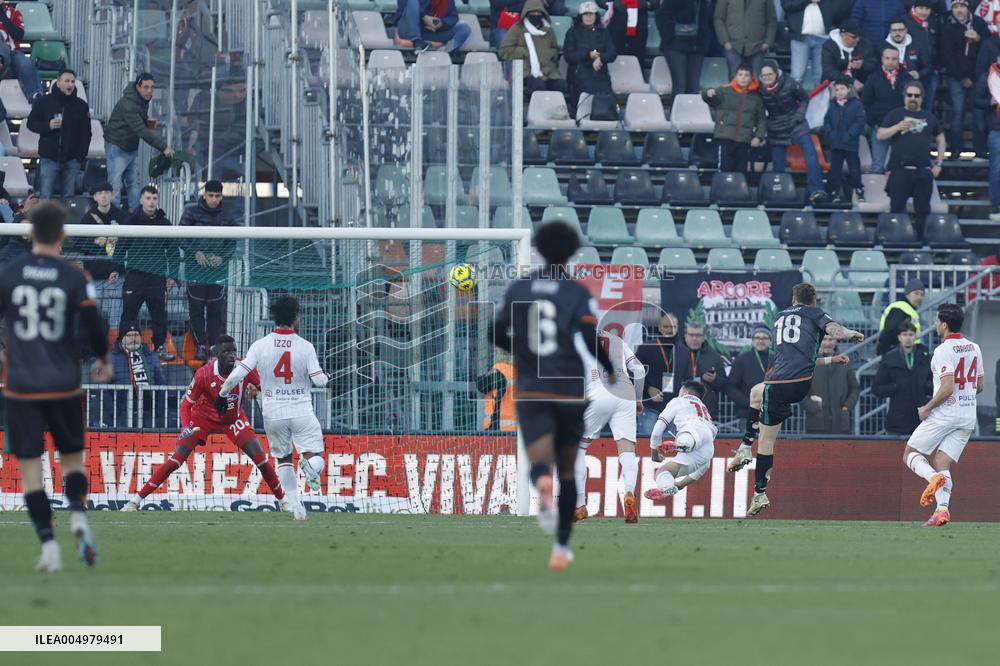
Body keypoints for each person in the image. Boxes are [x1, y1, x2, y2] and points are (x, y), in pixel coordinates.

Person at [492, 220, 614, 571]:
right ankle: (560, 547)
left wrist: (521, 352)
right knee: (568, 469)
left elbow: (494, 331)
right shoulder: (576, 292)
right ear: (573, 250)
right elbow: (590, 337)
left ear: (539, 249)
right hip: (569, 388)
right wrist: (608, 368)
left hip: (532, 387)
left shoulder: (519, 287)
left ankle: (541, 479)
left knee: (539, 457)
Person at [0, 200, 111, 573]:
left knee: (31, 470)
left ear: (29, 233)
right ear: (62, 235)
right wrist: (102, 358)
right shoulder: (74, 275)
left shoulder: (9, 273)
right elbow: (95, 324)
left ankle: (49, 546)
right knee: (72, 461)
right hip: (64, 383)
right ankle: (77, 514)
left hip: (21, 387)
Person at [727, 283, 864, 516]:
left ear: (793, 299)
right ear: (814, 299)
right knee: (756, 393)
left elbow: (799, 354)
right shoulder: (815, 313)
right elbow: (834, 332)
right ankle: (745, 450)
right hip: (797, 385)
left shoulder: (779, 317)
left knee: (766, 441)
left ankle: (757, 487)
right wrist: (850, 336)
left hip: (779, 384)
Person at [122, 335, 291, 513]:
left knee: (261, 459)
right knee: (176, 460)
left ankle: (284, 501)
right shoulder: (204, 373)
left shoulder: (245, 368)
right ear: (217, 353)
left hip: (233, 419)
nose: (231, 355)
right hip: (203, 418)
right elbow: (186, 404)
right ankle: (135, 501)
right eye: (226, 352)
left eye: (233, 351)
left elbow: (266, 388)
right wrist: (185, 427)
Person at [217, 297, 330, 520]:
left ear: (274, 318)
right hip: (301, 410)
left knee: (284, 459)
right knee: (316, 456)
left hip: (273, 413)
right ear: (296, 317)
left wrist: (222, 393)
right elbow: (319, 381)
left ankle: (296, 508)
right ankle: (310, 466)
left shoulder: (260, 345)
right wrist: (326, 376)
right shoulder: (305, 346)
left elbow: (239, 373)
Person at [902, 304, 984, 527]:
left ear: (944, 325)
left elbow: (948, 386)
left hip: (946, 414)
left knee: (910, 453)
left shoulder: (942, 351)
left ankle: (933, 478)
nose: (935, 324)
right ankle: (941, 510)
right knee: (941, 461)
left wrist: (927, 408)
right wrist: (964, 395)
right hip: (968, 416)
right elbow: (979, 386)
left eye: (937, 320)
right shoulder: (975, 348)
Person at [573, 330, 645, 523]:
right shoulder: (616, 339)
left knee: (577, 448)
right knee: (627, 450)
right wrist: (638, 399)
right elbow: (639, 370)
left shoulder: (577, 338)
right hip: (626, 393)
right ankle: (629, 492)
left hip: (599, 390)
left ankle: (579, 505)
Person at [876, 80, 947, 239]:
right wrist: (897, 127)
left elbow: (941, 139)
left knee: (923, 210)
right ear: (904, 97)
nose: (913, 98)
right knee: (896, 208)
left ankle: (920, 241)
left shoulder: (929, 116)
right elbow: (880, 135)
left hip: (923, 170)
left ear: (922, 98)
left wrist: (939, 164)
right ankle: (895, 241)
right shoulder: (895, 114)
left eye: (916, 95)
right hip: (900, 170)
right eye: (909, 95)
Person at [117, 186, 180, 361]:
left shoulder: (164, 223)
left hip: (156, 278)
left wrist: (173, 275)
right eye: (148, 198)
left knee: (159, 315)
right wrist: (116, 268)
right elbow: (121, 247)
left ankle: (159, 347)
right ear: (141, 200)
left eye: (154, 198)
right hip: (135, 276)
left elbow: (173, 251)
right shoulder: (131, 221)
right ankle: (123, 347)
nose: (151, 202)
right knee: (129, 313)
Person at [179, 180, 237, 361]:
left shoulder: (228, 215)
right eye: (210, 195)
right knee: (195, 311)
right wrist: (195, 252)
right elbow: (180, 237)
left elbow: (232, 243)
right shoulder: (191, 212)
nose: (213, 199)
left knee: (215, 312)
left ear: (221, 196)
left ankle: (213, 347)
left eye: (217, 196)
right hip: (194, 271)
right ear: (204, 195)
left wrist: (222, 257)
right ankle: (199, 346)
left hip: (218, 272)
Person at [105, 73, 175, 213]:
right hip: (117, 146)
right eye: (146, 87)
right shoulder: (129, 104)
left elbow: (139, 124)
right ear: (138, 87)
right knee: (116, 185)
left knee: (133, 184)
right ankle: (113, 217)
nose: (150, 91)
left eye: (152, 87)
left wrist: (147, 121)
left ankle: (135, 216)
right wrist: (163, 147)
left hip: (129, 146)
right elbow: (141, 130)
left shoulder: (140, 100)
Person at [759, 60, 826, 203]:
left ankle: (817, 190)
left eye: (769, 74)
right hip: (776, 127)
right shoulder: (760, 89)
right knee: (778, 164)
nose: (767, 78)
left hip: (797, 124)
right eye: (764, 76)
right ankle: (779, 194)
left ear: (776, 73)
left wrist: (799, 115)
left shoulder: (790, 83)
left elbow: (804, 98)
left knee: (811, 156)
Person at [643, 381, 718, 501]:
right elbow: (705, 465)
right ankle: (668, 487)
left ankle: (683, 445)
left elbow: (658, 429)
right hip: (709, 443)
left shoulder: (679, 400)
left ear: (685, 392)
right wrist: (681, 484)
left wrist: (654, 453)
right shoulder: (704, 409)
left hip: (692, 428)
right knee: (662, 472)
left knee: (687, 436)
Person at [25, 69, 91, 200]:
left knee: (69, 198)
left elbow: (86, 134)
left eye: (73, 81)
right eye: (67, 81)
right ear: (58, 82)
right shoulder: (43, 101)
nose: (70, 84)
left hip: (72, 160)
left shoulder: (81, 106)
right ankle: (44, 215)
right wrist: (47, 126)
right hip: (49, 158)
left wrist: (79, 158)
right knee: (45, 196)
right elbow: (31, 123)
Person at [941, 0, 991, 159]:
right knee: (957, 114)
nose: (959, 10)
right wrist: (961, 77)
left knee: (979, 114)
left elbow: (989, 47)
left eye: (962, 6)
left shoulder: (979, 24)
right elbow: (946, 56)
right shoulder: (948, 27)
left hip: (978, 78)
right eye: (955, 7)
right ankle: (955, 150)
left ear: (968, 8)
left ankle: (980, 151)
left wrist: (978, 38)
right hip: (956, 78)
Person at [77, 182, 128, 330]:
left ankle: (115, 343)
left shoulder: (122, 216)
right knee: (93, 317)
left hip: (116, 276)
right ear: (94, 197)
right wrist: (94, 242)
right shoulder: (87, 218)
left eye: (106, 192)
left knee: (116, 317)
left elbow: (128, 245)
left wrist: (117, 269)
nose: (103, 196)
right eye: (100, 193)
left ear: (112, 195)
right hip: (94, 275)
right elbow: (77, 243)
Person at [872, 321, 933, 436]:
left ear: (915, 336)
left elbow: (934, 382)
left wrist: (926, 386)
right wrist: (895, 387)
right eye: (904, 334)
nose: (908, 338)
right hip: (898, 420)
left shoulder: (925, 357)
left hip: (921, 418)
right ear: (899, 337)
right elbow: (876, 388)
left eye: (910, 334)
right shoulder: (889, 358)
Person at [702, 64, 766, 172]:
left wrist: (758, 137)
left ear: (751, 78)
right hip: (725, 138)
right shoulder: (724, 91)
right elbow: (710, 99)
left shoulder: (756, 97)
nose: (743, 78)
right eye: (740, 75)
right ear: (735, 76)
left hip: (744, 141)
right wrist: (707, 92)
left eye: (746, 75)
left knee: (740, 171)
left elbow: (761, 119)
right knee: (725, 170)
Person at [103, 323, 167, 429]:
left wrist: (158, 411)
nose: (133, 339)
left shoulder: (151, 357)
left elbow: (161, 386)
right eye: (129, 335)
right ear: (122, 338)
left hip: (148, 415)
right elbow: (104, 390)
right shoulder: (110, 359)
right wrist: (115, 412)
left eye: (136, 335)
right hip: (122, 416)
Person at [499, 0, 568, 98]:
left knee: (562, 86)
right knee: (539, 85)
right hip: (526, 72)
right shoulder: (517, 28)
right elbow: (504, 50)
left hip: (549, 72)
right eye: (533, 12)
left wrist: (548, 53)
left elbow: (554, 48)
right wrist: (524, 52)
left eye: (538, 12)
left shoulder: (548, 30)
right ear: (527, 14)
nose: (536, 15)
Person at [782, 0, 853, 88]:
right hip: (799, 37)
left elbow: (840, 9)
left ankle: (819, 97)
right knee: (797, 76)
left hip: (823, 38)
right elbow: (787, 5)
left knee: (820, 76)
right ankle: (794, 97)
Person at [563, 2, 617, 115]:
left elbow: (612, 53)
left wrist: (601, 58)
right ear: (580, 16)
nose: (588, 17)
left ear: (596, 16)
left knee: (607, 100)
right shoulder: (572, 32)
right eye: (585, 14)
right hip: (578, 74)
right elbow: (569, 56)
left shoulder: (604, 32)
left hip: (600, 73)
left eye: (591, 14)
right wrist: (588, 55)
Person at [800, 334, 860, 434]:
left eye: (831, 339)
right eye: (824, 339)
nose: (827, 343)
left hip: (841, 424)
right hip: (817, 424)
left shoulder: (845, 362)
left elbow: (855, 388)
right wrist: (812, 407)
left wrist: (846, 407)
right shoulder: (810, 363)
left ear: (836, 341)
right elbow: (799, 390)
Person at [861, 46, 907, 174]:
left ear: (899, 59)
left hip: (902, 128)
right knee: (877, 166)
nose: (890, 61)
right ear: (882, 59)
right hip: (880, 127)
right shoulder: (873, 78)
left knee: (902, 166)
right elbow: (865, 104)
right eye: (887, 58)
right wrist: (874, 124)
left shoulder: (907, 78)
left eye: (893, 58)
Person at [671, 322, 729, 418]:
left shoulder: (714, 356)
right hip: (678, 408)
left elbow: (723, 383)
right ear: (685, 336)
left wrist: (714, 380)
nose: (694, 338)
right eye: (691, 335)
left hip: (705, 410)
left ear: (703, 337)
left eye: (698, 335)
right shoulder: (674, 352)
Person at [823, 75, 867, 202]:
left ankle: (858, 189)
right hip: (836, 143)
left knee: (854, 168)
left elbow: (860, 121)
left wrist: (850, 134)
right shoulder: (832, 105)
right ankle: (835, 191)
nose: (839, 92)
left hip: (850, 143)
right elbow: (827, 120)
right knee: (835, 169)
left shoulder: (857, 104)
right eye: (836, 89)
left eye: (842, 89)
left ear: (848, 89)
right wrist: (830, 133)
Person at [655, 0, 713, 95]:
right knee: (680, 85)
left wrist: (705, 38)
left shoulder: (705, 2)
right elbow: (661, 16)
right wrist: (672, 34)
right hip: (675, 45)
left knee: (693, 87)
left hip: (697, 46)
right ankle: (678, 105)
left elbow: (708, 21)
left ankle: (691, 105)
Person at [636, 312, 679, 435]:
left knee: (672, 446)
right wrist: (648, 388)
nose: (670, 330)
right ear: (659, 328)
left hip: (675, 411)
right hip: (650, 408)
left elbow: (687, 379)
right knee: (648, 445)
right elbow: (633, 373)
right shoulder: (646, 348)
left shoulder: (683, 350)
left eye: (673, 327)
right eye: (666, 326)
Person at [714, 0, 777, 77]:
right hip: (733, 45)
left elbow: (771, 20)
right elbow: (718, 18)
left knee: (756, 79)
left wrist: (768, 42)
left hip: (758, 46)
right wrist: (725, 41)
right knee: (735, 79)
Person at [726, 325, 775, 423]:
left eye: (764, 338)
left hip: (773, 413)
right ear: (752, 341)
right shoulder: (741, 360)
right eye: (757, 338)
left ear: (770, 342)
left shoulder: (777, 360)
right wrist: (748, 402)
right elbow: (730, 387)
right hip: (748, 413)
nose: (760, 341)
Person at [974, 55, 1000, 220]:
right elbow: (976, 100)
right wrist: (989, 103)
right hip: (997, 129)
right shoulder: (988, 76)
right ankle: (996, 206)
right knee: (997, 171)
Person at [0, 2, 42, 100]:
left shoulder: (14, 12)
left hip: (12, 54)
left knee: (26, 63)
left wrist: (3, 17)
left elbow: (18, 35)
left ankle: (36, 97)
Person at [820, 20, 877, 92]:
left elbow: (874, 64)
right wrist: (851, 81)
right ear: (843, 35)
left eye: (858, 36)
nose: (858, 39)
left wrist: (862, 64)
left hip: (860, 85)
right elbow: (829, 71)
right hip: (835, 85)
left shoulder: (865, 45)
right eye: (854, 37)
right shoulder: (829, 46)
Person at [392, 0, 471, 52]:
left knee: (464, 28)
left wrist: (441, 23)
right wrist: (425, 17)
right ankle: (417, 42)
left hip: (432, 31)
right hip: (410, 29)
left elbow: (454, 17)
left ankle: (447, 50)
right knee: (412, 1)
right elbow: (404, 6)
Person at [903, 1, 939, 111]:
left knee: (927, 103)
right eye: (921, 8)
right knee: (910, 103)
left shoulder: (933, 23)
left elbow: (938, 45)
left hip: (929, 71)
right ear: (914, 8)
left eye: (927, 9)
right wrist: (910, 69)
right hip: (911, 72)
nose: (924, 12)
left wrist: (936, 66)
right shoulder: (905, 22)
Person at [885, 17, 933, 98]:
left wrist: (919, 74)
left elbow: (928, 67)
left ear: (906, 30)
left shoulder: (917, 45)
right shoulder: (883, 47)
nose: (897, 33)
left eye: (900, 30)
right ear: (890, 31)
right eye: (894, 30)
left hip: (912, 85)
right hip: (889, 85)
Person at [877, 277, 925, 355]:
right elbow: (890, 331)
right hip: (896, 354)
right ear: (907, 295)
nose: (919, 297)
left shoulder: (908, 309)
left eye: (922, 294)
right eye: (916, 293)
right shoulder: (900, 308)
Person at [478, 357, 516, 431]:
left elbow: (481, 385)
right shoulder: (518, 372)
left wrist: (480, 376)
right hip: (514, 428)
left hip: (499, 428)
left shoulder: (501, 369)